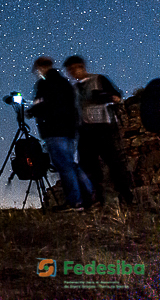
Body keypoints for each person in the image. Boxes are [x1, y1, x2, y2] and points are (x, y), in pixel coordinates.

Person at [63, 55, 134, 207]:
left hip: (104, 128)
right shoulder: (74, 90)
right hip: (85, 132)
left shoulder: (99, 79)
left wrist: (106, 96)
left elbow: (117, 97)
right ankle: (96, 201)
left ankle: (127, 199)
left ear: (82, 67)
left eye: (75, 68)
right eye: (70, 70)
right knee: (89, 168)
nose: (73, 72)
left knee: (115, 164)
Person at [26, 56, 91, 211]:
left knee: (64, 166)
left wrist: (33, 110)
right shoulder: (63, 83)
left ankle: (75, 202)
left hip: (55, 130)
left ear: (41, 68)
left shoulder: (46, 84)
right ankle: (90, 194)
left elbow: (47, 104)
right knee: (70, 164)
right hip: (68, 130)